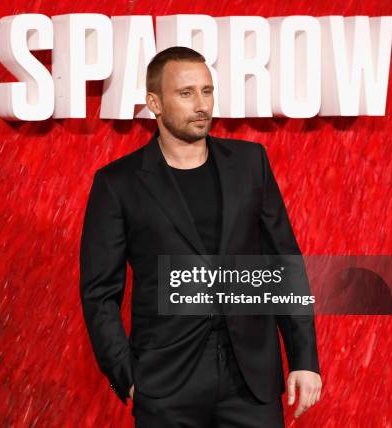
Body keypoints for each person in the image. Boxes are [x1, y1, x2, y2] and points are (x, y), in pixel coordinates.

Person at [79, 46, 322, 427]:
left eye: (207, 91)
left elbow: (284, 263)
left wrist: (304, 360)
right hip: (166, 384)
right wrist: (127, 376)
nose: (201, 105)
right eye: (186, 93)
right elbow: (99, 293)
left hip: (251, 380)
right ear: (154, 103)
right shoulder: (118, 184)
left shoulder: (250, 164)